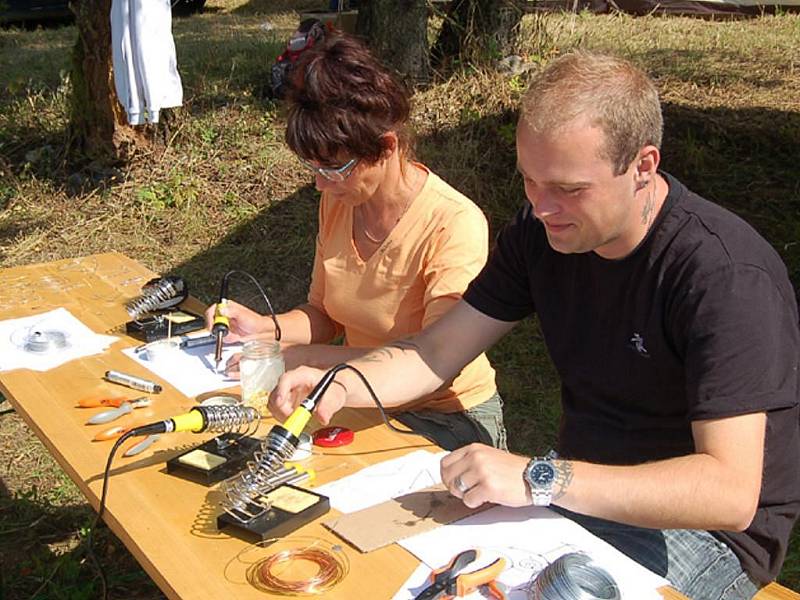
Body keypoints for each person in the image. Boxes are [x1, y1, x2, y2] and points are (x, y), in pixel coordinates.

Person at [269, 50, 800, 599]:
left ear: (643, 166)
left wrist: (539, 478)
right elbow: (436, 352)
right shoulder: (542, 234)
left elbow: (730, 493)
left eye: (568, 189)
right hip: (580, 488)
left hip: (702, 532)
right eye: (529, 180)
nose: (542, 207)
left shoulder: (725, 276)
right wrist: (342, 382)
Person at [207, 33, 506, 451]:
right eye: (311, 167)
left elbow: (436, 364)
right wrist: (266, 329)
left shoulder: (452, 223)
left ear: (386, 148)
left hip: (447, 417)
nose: (318, 183)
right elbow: (324, 316)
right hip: (357, 396)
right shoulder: (340, 199)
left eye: (332, 167)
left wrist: (306, 359)